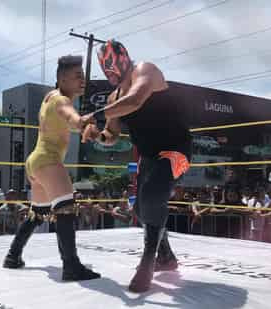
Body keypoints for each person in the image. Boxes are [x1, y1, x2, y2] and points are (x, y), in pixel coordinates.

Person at [82, 39, 191, 292]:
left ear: (122, 59)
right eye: (104, 66)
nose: (108, 70)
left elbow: (135, 100)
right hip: (149, 157)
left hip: (177, 151)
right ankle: (166, 257)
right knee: (141, 210)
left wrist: (96, 114)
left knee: (153, 196)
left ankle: (148, 262)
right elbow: (112, 136)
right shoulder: (113, 96)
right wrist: (95, 134)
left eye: (110, 63)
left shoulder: (146, 70)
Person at [3, 55, 100, 282]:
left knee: (38, 214)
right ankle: (71, 266)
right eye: (77, 76)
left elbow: (67, 119)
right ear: (62, 78)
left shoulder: (50, 97)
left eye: (83, 75)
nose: (82, 80)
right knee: (66, 209)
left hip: (35, 162)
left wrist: (84, 125)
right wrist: (86, 124)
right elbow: (73, 119)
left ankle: (12, 256)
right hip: (48, 160)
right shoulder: (62, 101)